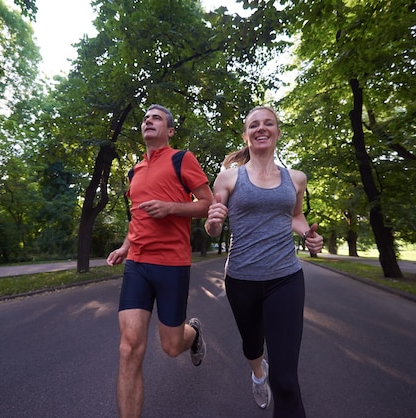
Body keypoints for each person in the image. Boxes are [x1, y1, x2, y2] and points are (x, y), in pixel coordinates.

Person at [204, 106, 323, 417]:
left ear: (277, 132)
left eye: (268, 123)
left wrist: (308, 236)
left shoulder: (296, 178)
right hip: (241, 279)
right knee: (252, 344)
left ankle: (274, 380)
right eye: (254, 124)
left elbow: (296, 216)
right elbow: (213, 225)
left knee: (286, 381)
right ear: (246, 135)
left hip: (286, 278)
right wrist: (213, 222)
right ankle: (258, 372)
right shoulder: (228, 177)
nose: (261, 128)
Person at [107, 104, 213, 418]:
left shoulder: (183, 159)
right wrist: (126, 245)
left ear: (169, 131)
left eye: (156, 118)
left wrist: (171, 208)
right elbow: (137, 217)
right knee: (128, 349)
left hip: (172, 264)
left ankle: (192, 333)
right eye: (145, 118)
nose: (148, 121)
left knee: (170, 346)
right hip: (138, 264)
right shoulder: (135, 171)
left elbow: (208, 204)